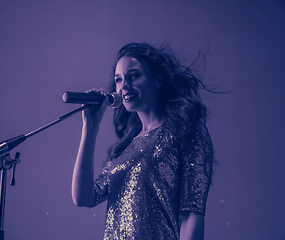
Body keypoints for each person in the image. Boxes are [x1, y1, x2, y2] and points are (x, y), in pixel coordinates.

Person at [71, 42, 213, 240]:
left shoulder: (185, 130)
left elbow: (191, 213)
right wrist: (90, 128)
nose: (124, 86)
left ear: (158, 80)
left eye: (134, 76)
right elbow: (84, 197)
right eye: (118, 80)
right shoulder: (125, 149)